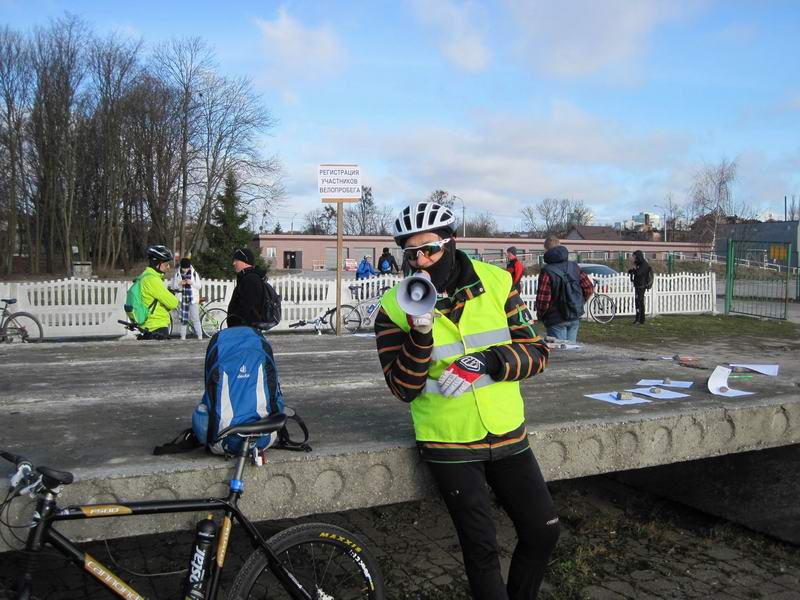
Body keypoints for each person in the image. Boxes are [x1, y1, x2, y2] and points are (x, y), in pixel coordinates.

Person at [374, 201, 559, 600]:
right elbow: (403, 388)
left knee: (543, 530)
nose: (421, 262)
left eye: (430, 250)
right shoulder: (394, 307)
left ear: (451, 243)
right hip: (448, 441)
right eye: (411, 254)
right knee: (482, 548)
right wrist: (419, 334)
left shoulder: (497, 282)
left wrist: (490, 358)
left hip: (507, 431)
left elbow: (537, 352)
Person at [535, 236, 594, 342]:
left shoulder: (547, 271)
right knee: (571, 353)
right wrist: (577, 302)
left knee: (560, 354)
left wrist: (541, 315)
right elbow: (588, 287)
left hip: (555, 319)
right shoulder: (574, 267)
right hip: (574, 315)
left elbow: (543, 300)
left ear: (547, 250)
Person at [139, 245, 179, 339]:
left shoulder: (145, 276)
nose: (168, 267)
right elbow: (173, 303)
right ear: (156, 263)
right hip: (156, 327)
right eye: (166, 264)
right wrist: (170, 295)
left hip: (148, 326)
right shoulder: (152, 279)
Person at [227, 247, 266, 327]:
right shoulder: (246, 277)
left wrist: (236, 320)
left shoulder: (251, 279)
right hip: (243, 327)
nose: (233, 263)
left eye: (236, 260)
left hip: (246, 327)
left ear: (245, 262)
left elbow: (248, 304)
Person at [171, 257, 203, 340]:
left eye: (187, 268)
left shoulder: (194, 273)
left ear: (189, 267)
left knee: (195, 318)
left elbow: (199, 286)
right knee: (183, 319)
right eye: (183, 268)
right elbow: (174, 286)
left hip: (192, 299)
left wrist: (191, 283)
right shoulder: (177, 274)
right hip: (182, 299)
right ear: (181, 267)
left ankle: (200, 336)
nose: (185, 270)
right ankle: (183, 337)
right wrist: (180, 283)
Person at [628, 250, 654, 324]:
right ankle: (641, 319)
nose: (634, 258)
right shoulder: (639, 264)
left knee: (639, 302)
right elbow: (637, 271)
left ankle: (639, 319)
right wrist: (632, 271)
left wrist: (633, 271)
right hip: (638, 285)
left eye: (635, 257)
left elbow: (639, 273)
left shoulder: (644, 264)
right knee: (639, 302)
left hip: (641, 286)